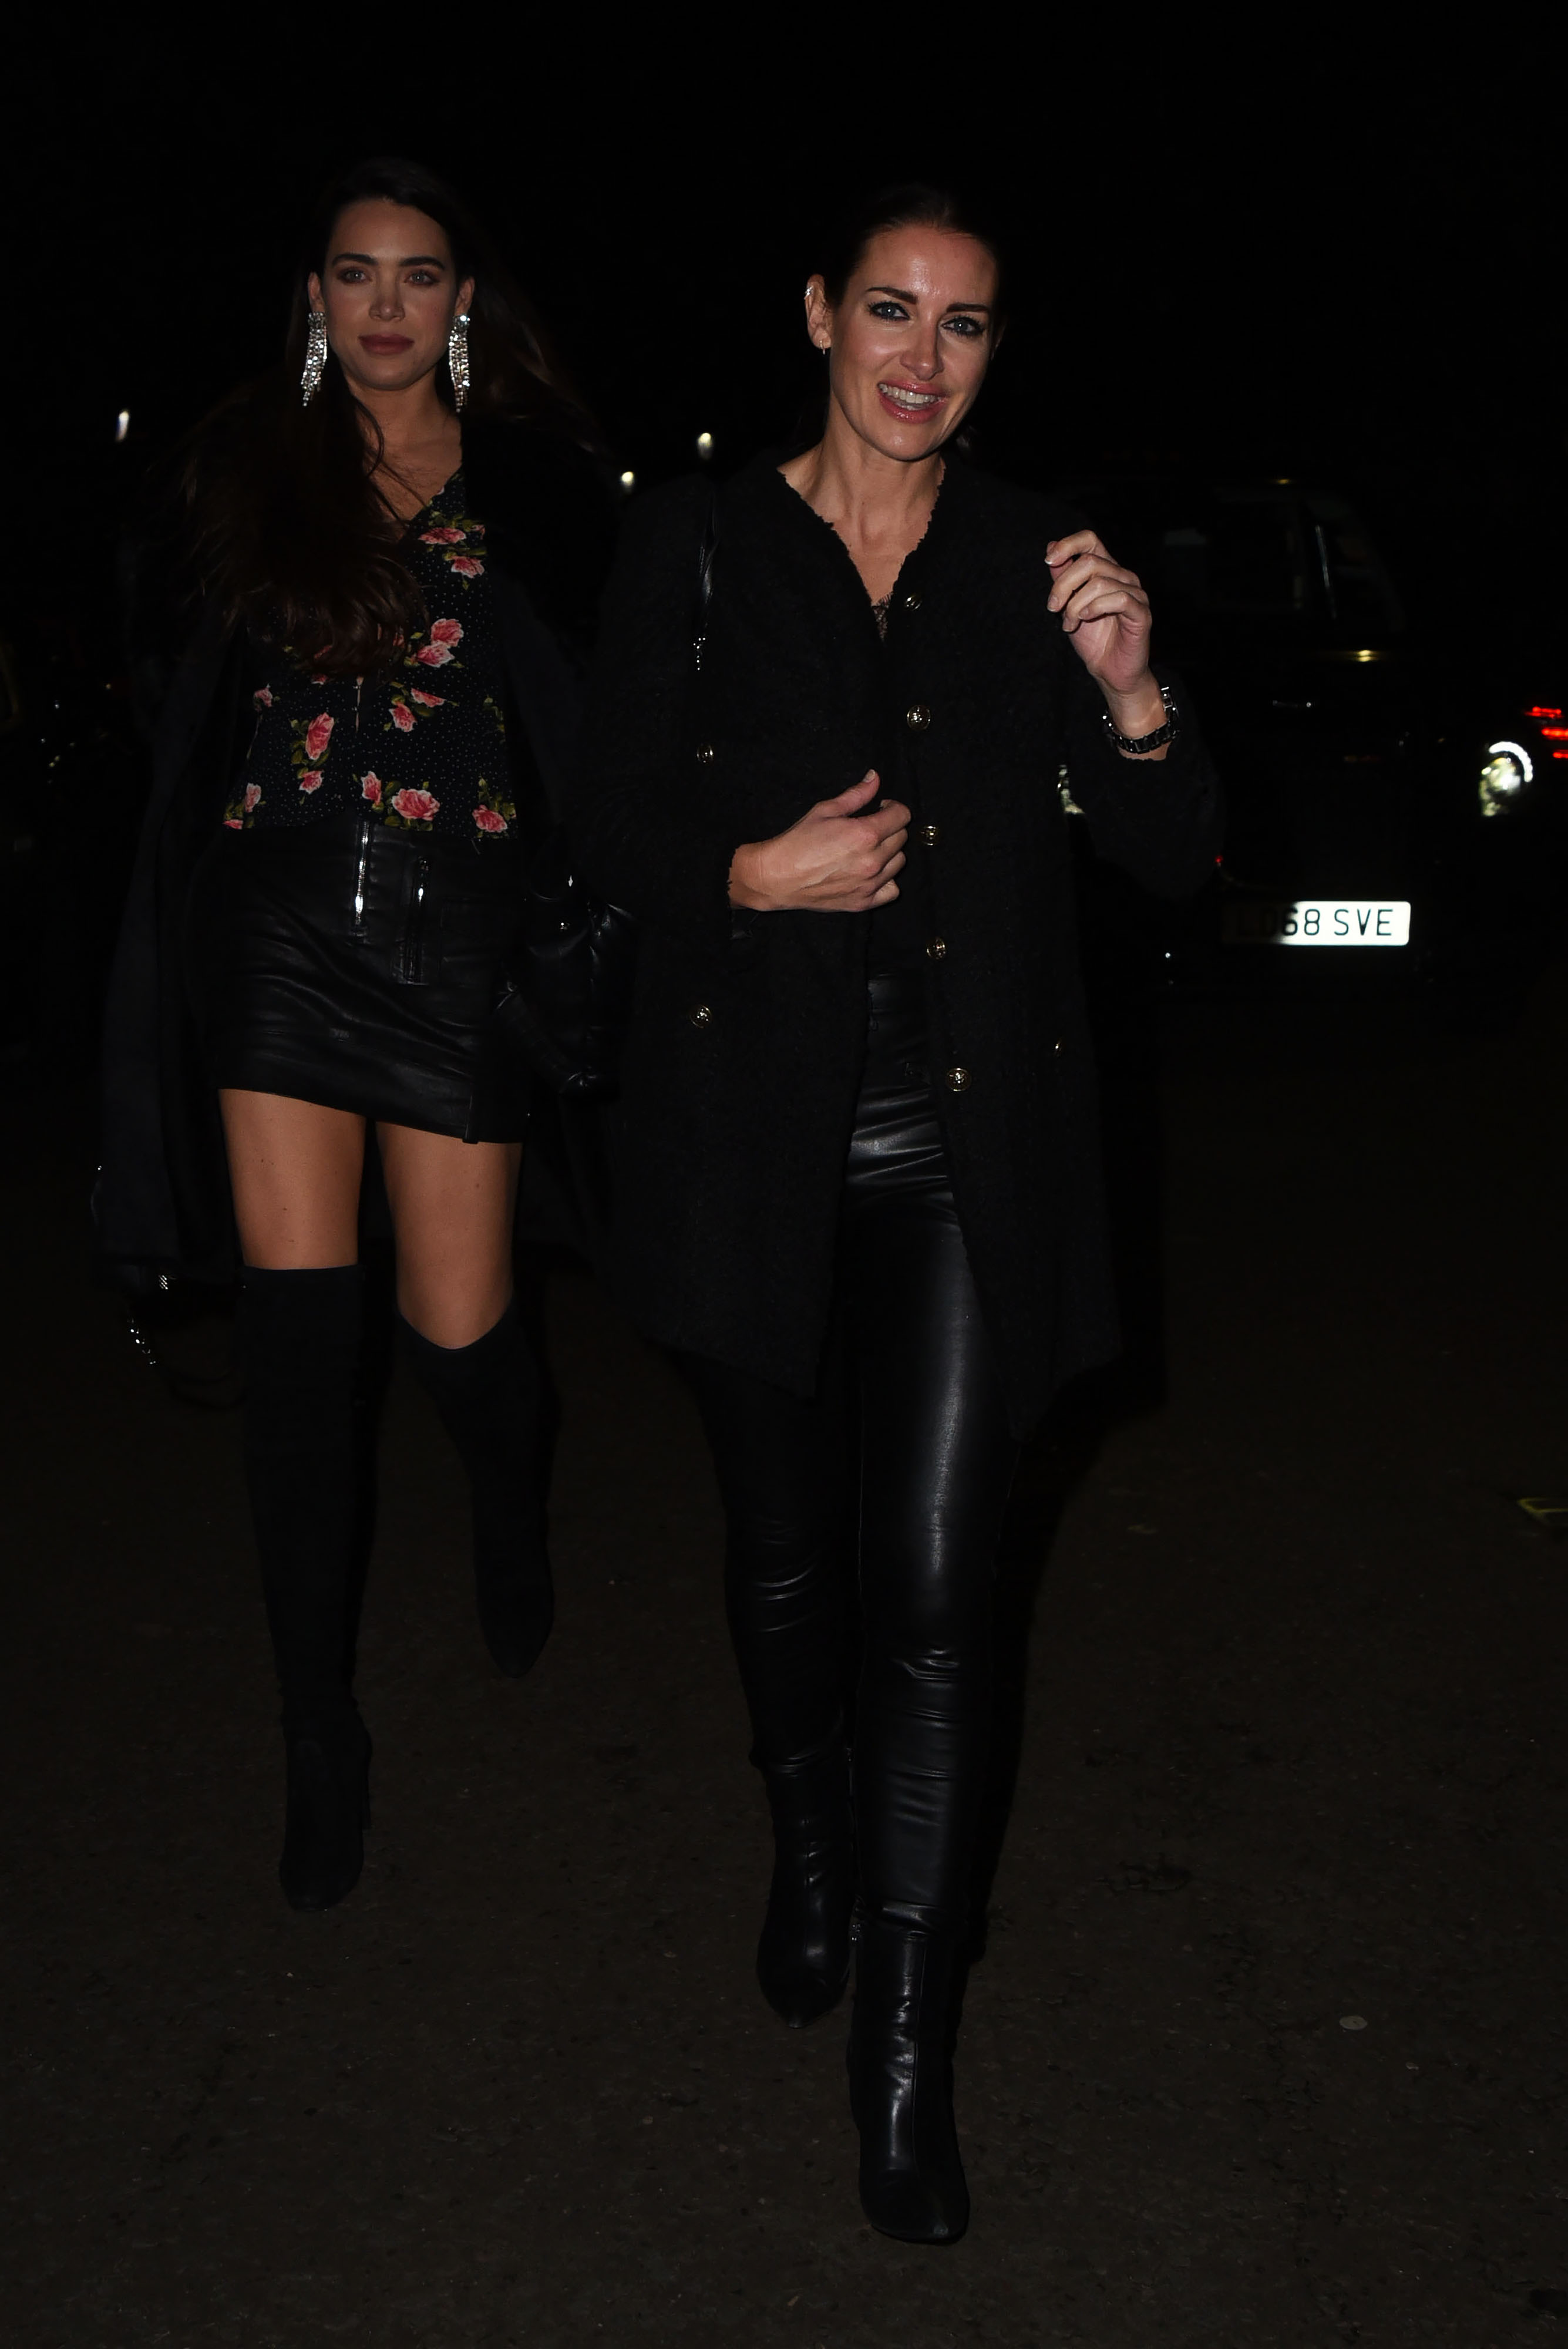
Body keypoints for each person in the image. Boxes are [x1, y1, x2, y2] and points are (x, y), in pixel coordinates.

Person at [573, 184, 1222, 2242]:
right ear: (819, 316)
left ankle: (907, 2056)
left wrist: (1131, 689)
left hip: (964, 1154)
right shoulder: (697, 539)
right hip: (741, 1145)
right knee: (786, 1564)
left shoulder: (1037, 558)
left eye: (964, 323)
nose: (922, 357)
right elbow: (602, 810)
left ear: (994, 349)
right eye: (889, 310)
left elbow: (1176, 860)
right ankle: (811, 1847)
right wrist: (747, 877)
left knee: (934, 1602)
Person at [97, 157, 615, 1913]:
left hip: (461, 937)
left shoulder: (539, 487)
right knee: (302, 1352)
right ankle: (317, 1733)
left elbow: (600, 716)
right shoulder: (242, 472)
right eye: (353, 273)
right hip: (279, 932)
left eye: (418, 274)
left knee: (460, 1333)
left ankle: (511, 1495)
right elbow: (166, 694)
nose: (386, 304)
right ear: (314, 301)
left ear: (465, 301)